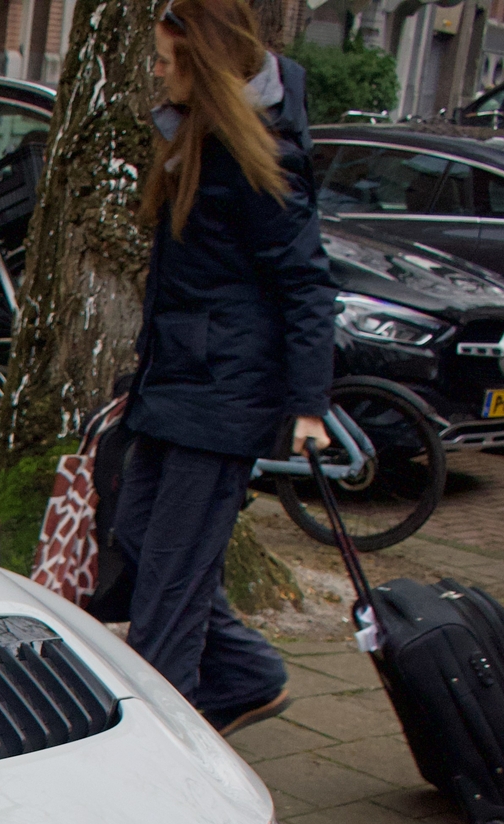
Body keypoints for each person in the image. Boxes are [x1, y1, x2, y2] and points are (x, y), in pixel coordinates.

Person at [113, 0, 334, 736]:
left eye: (168, 62)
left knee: (168, 589)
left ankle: (161, 750)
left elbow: (304, 279)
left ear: (202, 65)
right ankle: (246, 676)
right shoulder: (193, 138)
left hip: (221, 394)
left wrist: (310, 405)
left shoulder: (252, 155)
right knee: (138, 536)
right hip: (176, 378)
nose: (156, 73)